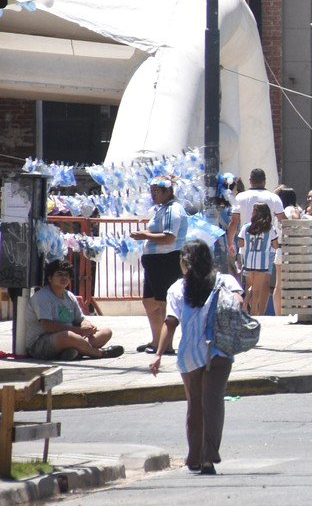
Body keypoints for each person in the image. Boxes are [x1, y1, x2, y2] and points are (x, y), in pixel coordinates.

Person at [150, 240, 242, 475]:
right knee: (213, 402)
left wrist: (159, 353)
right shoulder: (225, 281)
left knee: (195, 405)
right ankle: (209, 457)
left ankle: (194, 457)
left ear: (185, 262)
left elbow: (170, 322)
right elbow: (240, 303)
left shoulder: (177, 289)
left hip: (191, 354)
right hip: (220, 350)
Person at [129, 176, 186, 354]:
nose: (153, 194)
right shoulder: (162, 209)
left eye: (156, 191)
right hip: (154, 261)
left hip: (166, 260)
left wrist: (144, 236)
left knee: (162, 303)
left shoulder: (173, 210)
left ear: (167, 191)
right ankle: (156, 340)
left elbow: (169, 237)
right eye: (151, 190)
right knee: (149, 301)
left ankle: (165, 344)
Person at [28, 259, 123, 360]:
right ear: (50, 278)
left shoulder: (70, 296)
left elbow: (80, 319)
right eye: (59, 274)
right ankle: (100, 353)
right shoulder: (42, 296)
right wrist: (79, 331)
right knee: (68, 336)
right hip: (41, 343)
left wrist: (87, 326)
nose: (64, 277)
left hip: (73, 337)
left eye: (66, 275)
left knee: (106, 332)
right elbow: (48, 326)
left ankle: (74, 351)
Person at [227, 168, 283, 254]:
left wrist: (230, 244)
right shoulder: (274, 198)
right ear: (265, 181)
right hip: (267, 247)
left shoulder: (240, 197)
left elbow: (234, 222)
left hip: (246, 246)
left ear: (250, 180)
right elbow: (283, 220)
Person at [240, 203, 280, 316]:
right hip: (262, 262)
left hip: (248, 260)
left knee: (249, 286)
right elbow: (275, 245)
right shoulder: (270, 229)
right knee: (257, 289)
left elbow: (241, 243)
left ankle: (245, 306)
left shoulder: (246, 227)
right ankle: (254, 313)